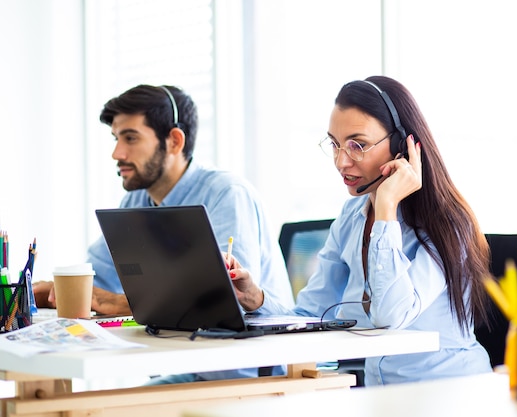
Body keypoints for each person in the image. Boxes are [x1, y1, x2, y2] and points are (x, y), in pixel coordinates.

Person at [225, 75, 493, 385]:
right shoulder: (352, 216)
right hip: (380, 398)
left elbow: (391, 316)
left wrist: (387, 207)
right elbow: (310, 317)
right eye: (336, 145)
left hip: (449, 394)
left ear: (400, 143)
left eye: (358, 145)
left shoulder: (447, 223)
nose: (341, 161)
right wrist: (255, 298)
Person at [34, 84, 294, 381]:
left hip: (240, 373)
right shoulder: (135, 201)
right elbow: (97, 278)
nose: (117, 153)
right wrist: (55, 289)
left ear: (174, 140)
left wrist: (115, 302)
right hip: (182, 364)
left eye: (130, 138)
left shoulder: (226, 194)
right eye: (116, 138)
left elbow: (222, 302)